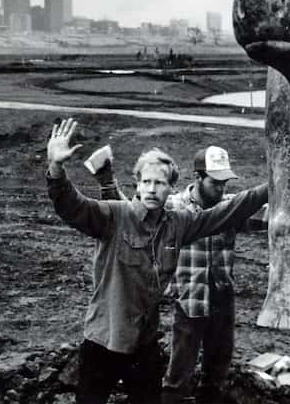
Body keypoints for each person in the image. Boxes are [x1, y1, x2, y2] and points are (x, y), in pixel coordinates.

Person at [46, 118, 267, 404]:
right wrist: (56, 167)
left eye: (159, 183)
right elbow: (72, 206)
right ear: (137, 184)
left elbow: (228, 212)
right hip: (104, 339)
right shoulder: (114, 215)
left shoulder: (178, 223)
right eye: (146, 182)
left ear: (170, 188)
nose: (152, 189)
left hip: (144, 342)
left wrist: (275, 183)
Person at [90, 145, 255, 404]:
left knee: (218, 368)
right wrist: (107, 182)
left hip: (223, 298)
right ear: (198, 178)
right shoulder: (172, 207)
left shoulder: (227, 208)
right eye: (215, 182)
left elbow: (266, 214)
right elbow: (130, 215)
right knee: (180, 371)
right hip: (190, 299)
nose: (221, 189)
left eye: (225, 182)